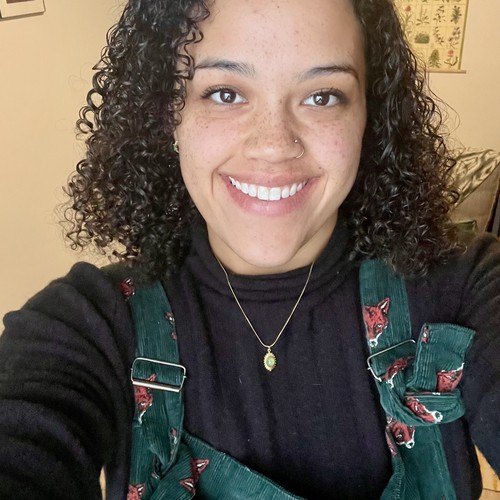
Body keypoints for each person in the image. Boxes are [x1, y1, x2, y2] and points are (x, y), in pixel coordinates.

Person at [0, 0, 499, 498]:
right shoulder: (94, 323)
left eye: (323, 96)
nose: (273, 145)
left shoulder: (466, 285)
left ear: (371, 116)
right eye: (225, 94)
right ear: (168, 115)